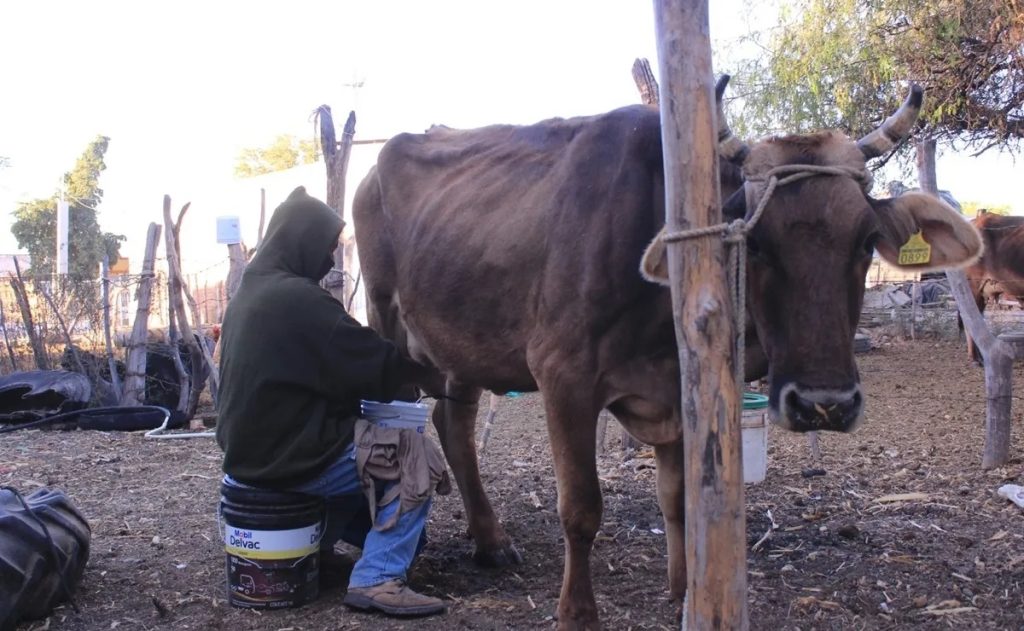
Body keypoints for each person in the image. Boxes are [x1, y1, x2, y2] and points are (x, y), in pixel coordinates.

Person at [216, 186, 447, 617]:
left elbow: (319, 370)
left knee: (357, 447)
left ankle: (316, 549)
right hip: (287, 459)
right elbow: (369, 361)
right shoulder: (296, 299)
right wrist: (431, 372)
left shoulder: (250, 293)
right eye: (324, 246)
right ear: (300, 242)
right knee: (411, 454)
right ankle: (377, 579)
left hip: (246, 461)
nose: (327, 258)